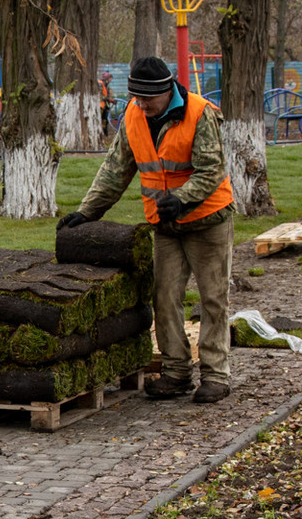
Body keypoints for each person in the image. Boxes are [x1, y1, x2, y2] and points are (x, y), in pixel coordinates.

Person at [60, 55, 234, 404]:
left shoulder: (200, 114)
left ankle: (216, 375)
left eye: (147, 99)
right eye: (137, 98)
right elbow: (115, 171)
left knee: (213, 298)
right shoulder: (133, 117)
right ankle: (176, 372)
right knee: (165, 298)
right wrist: (86, 212)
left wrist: (183, 199)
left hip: (207, 221)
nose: (141, 104)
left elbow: (211, 170)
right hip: (166, 226)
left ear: (166, 91)